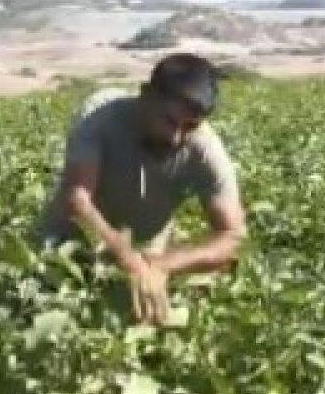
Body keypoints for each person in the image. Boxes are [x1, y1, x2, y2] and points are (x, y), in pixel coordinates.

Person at [41, 53, 247, 326]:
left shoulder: (205, 149)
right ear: (146, 95)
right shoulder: (100, 117)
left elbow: (233, 236)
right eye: (170, 121)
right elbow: (77, 200)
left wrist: (161, 264)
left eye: (190, 127)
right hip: (69, 243)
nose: (177, 137)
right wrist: (128, 259)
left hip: (148, 252)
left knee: (139, 328)